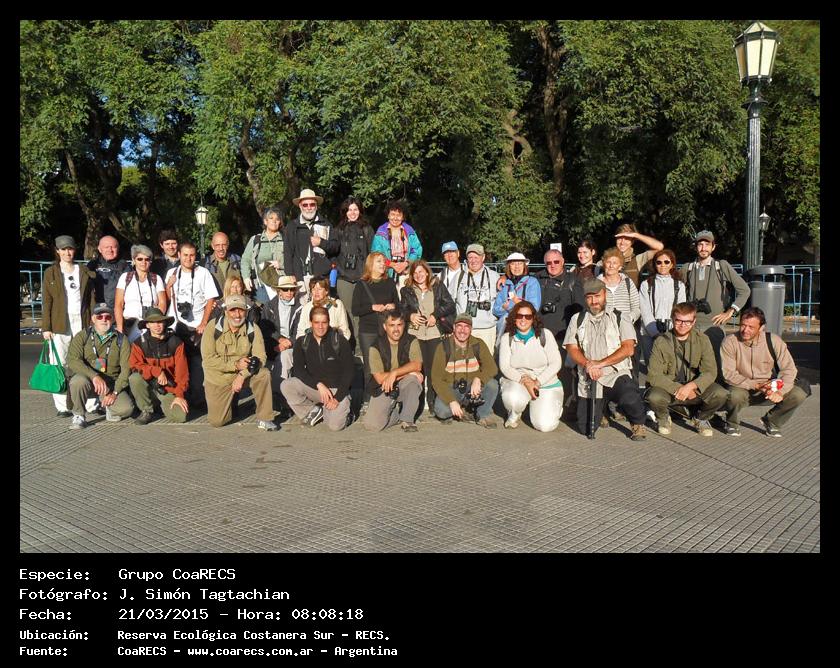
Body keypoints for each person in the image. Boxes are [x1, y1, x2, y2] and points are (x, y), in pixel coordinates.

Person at [563, 280, 647, 441]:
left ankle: (637, 423)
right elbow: (571, 348)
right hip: (589, 375)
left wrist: (600, 364)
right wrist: (588, 364)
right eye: (589, 297)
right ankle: (601, 411)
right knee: (585, 428)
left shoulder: (620, 317)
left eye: (597, 296)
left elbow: (628, 348)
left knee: (629, 397)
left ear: (605, 295)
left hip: (615, 374)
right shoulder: (577, 319)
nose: (594, 301)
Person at [721, 306, 809, 437]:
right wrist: (755, 385)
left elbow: (789, 369)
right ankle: (731, 423)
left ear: (761, 328)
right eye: (743, 325)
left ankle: (772, 421)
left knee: (798, 394)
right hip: (742, 386)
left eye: (751, 327)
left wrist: (780, 391)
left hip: (769, 387)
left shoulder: (773, 340)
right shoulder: (730, 342)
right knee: (734, 395)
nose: (745, 330)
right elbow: (728, 374)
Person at [646, 302, 729, 436]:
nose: (683, 325)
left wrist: (691, 386)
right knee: (654, 396)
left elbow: (710, 372)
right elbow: (654, 375)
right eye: (679, 320)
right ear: (673, 319)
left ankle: (701, 418)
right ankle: (663, 418)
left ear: (694, 321)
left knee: (720, 393)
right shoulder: (661, 341)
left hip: (694, 388)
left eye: (688, 321)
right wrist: (679, 389)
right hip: (669, 388)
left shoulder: (703, 340)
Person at [200, 295, 277, 430]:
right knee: (217, 422)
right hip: (219, 378)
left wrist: (242, 375)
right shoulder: (212, 327)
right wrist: (235, 364)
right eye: (232, 310)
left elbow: (260, 357)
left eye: (241, 310)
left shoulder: (253, 328)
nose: (237, 314)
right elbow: (208, 360)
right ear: (226, 311)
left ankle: (265, 418)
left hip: (243, 374)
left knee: (263, 374)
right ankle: (232, 403)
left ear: (246, 311)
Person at [40, 235, 97, 418]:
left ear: (74, 250)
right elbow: (47, 302)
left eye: (70, 249)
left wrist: (94, 321)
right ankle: (63, 405)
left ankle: (90, 403)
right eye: (63, 249)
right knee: (59, 362)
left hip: (82, 320)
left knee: (87, 359)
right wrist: (46, 327)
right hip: (59, 323)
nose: (67, 252)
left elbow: (91, 299)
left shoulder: (84, 271)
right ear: (57, 251)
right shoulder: (51, 272)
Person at [681, 230, 751, 374]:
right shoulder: (687, 268)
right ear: (695, 247)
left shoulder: (721, 266)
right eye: (700, 244)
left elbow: (745, 290)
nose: (703, 248)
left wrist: (730, 311)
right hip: (691, 325)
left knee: (716, 366)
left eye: (707, 244)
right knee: (691, 366)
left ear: (713, 247)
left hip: (714, 324)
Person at [281, 306, 355, 430]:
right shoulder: (302, 342)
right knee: (287, 385)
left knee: (335, 426)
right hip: (316, 388)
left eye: (324, 322)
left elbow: (349, 372)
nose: (320, 326)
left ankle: (347, 414)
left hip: (336, 390)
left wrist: (337, 398)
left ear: (329, 322)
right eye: (316, 322)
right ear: (311, 323)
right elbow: (298, 370)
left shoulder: (340, 341)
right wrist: (318, 384)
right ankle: (312, 411)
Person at [164, 241, 219, 407]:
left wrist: (204, 323)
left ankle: (198, 399)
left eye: (192, 255)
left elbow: (211, 299)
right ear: (179, 255)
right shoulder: (172, 272)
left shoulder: (203, 273)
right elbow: (167, 298)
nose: (188, 258)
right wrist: (169, 285)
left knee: (197, 364)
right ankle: (180, 395)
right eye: (185, 255)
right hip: (176, 325)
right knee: (178, 363)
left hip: (196, 326)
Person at [400, 259, 456, 413]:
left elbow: (450, 305)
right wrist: (410, 316)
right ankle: (416, 403)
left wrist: (435, 315)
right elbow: (401, 310)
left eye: (421, 271)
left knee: (433, 370)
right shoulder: (406, 290)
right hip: (415, 334)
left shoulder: (437, 286)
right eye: (415, 273)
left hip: (433, 334)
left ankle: (432, 401)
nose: (418, 275)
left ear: (426, 272)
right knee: (418, 369)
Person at [66, 303, 135, 429]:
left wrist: (115, 392)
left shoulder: (122, 340)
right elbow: (73, 360)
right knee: (77, 381)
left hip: (110, 384)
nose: (104, 320)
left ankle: (108, 407)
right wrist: (94, 376)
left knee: (126, 409)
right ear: (93, 319)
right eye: (99, 316)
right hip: (88, 380)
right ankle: (79, 415)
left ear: (112, 319)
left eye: (108, 317)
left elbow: (126, 369)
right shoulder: (83, 336)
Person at [498, 300, 564, 432]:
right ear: (514, 317)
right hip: (519, 380)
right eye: (519, 316)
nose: (523, 319)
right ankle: (515, 413)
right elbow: (505, 367)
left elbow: (556, 363)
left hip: (545, 382)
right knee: (512, 398)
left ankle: (550, 406)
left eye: (528, 316)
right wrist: (526, 381)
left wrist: (537, 382)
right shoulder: (507, 338)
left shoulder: (545, 335)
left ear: (533, 318)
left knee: (544, 426)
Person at [430, 314, 500, 428]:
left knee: (492, 384)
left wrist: (478, 379)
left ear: (471, 329)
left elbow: (492, 367)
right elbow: (436, 379)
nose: (463, 330)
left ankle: (483, 415)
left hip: (472, 389)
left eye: (467, 327)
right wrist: (451, 401)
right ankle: (461, 410)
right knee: (442, 412)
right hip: (451, 388)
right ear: (454, 327)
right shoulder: (443, 346)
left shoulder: (478, 344)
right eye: (459, 326)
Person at [363, 308, 424, 432]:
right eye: (392, 325)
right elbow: (380, 378)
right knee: (372, 426)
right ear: (385, 327)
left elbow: (417, 365)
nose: (396, 329)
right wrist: (407, 372)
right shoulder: (375, 346)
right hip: (384, 387)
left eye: (399, 325)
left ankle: (407, 419)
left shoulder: (412, 340)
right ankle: (395, 415)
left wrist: (394, 373)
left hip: (404, 384)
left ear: (404, 325)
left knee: (413, 380)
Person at [352, 252, 399, 409]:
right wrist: (372, 307)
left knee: (388, 362)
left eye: (384, 261)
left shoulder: (390, 283)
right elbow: (355, 309)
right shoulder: (361, 284)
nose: (383, 264)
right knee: (370, 365)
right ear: (370, 264)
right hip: (368, 330)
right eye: (379, 261)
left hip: (386, 329)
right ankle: (368, 397)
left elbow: (398, 305)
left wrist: (393, 306)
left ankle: (387, 395)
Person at [128, 307, 189, 425]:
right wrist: (156, 371)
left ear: (165, 323)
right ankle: (146, 410)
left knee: (180, 417)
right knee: (134, 378)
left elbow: (183, 373)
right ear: (147, 325)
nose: (157, 325)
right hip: (147, 387)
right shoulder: (139, 343)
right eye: (152, 322)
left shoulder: (176, 343)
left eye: (160, 321)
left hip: (167, 389)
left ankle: (159, 406)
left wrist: (179, 395)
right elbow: (134, 366)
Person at [335, 196, 374, 353]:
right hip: (344, 277)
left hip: (362, 278)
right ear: (345, 212)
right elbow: (333, 251)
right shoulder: (338, 230)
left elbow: (372, 253)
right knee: (346, 313)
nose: (352, 213)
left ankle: (360, 348)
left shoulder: (367, 229)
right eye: (349, 210)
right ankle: (348, 347)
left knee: (360, 312)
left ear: (360, 211)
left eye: (355, 209)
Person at [260, 274, 306, 394]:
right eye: (285, 289)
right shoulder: (269, 306)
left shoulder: (300, 308)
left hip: (293, 344)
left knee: (284, 356)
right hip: (273, 343)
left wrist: (288, 342)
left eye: (292, 289)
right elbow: (265, 328)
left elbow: (300, 332)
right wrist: (279, 340)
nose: (289, 292)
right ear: (279, 291)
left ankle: (281, 392)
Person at [638, 248, 687, 359]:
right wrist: (655, 333)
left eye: (666, 262)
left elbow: (680, 310)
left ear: (672, 264)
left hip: (672, 332)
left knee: (671, 364)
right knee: (652, 365)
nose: (663, 265)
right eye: (659, 262)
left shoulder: (679, 285)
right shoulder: (646, 284)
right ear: (655, 265)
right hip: (649, 333)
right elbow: (645, 311)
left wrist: (673, 332)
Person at [114, 244, 167, 343]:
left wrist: (156, 322)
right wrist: (120, 327)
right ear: (134, 260)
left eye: (147, 259)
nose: (143, 262)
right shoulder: (125, 277)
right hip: (129, 324)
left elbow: (162, 303)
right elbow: (118, 304)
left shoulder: (156, 278)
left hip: (150, 325)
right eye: (140, 259)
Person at [284, 189, 339, 285]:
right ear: (300, 206)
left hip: (321, 278)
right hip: (299, 278)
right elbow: (288, 253)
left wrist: (321, 242)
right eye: (305, 205)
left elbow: (335, 247)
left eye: (312, 204)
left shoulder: (326, 224)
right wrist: (290, 274)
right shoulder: (292, 226)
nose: (309, 208)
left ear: (316, 206)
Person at [453, 243, 500, 351]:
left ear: (483, 257)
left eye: (476, 257)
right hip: (464, 329)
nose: (473, 261)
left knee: (486, 359)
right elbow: (450, 300)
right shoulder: (459, 276)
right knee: (464, 359)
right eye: (470, 257)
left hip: (487, 329)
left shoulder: (493, 276)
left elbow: (501, 301)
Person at [241, 206, 287, 305]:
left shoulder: (286, 240)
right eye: (271, 218)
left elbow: (293, 260)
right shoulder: (255, 240)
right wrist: (246, 277)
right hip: (261, 286)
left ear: (280, 222)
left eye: (277, 219)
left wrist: (281, 264)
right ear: (265, 221)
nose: (274, 221)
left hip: (282, 284)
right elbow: (245, 260)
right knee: (264, 312)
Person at [370, 200, 423, 285]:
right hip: (386, 273)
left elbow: (416, 249)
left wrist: (406, 263)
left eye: (398, 215)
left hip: (406, 272)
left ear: (403, 217)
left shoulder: (409, 231)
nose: (395, 218)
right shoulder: (380, 233)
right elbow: (376, 253)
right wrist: (391, 264)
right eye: (393, 214)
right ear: (388, 215)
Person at [493, 252, 541, 342]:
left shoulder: (532, 282)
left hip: (526, 327)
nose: (516, 267)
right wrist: (504, 308)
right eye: (513, 264)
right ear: (509, 266)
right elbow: (495, 310)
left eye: (520, 263)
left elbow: (535, 308)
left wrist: (517, 304)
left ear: (524, 266)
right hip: (506, 329)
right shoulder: (504, 284)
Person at [610, 223, 664, 289]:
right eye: (620, 238)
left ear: (632, 241)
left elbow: (659, 247)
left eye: (627, 238)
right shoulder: (607, 259)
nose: (622, 242)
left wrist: (636, 235)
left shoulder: (638, 259)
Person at [296, 276, 351, 341]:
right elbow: (300, 331)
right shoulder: (306, 307)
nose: (316, 292)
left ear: (326, 291)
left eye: (319, 289)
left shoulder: (337, 305)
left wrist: (338, 343)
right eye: (313, 289)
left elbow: (345, 330)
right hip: (312, 344)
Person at [87, 235, 129, 309]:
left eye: (113, 247)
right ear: (100, 249)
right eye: (106, 247)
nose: (110, 250)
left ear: (118, 249)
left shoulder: (125, 266)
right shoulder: (92, 265)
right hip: (95, 309)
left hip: (117, 309)